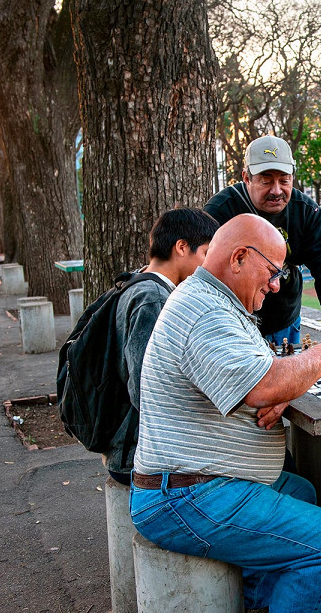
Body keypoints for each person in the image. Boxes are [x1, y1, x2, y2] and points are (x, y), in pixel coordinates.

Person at [131, 214, 321, 613]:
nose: (277, 285)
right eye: (273, 272)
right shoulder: (205, 312)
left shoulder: (212, 300)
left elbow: (258, 381)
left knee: (302, 492)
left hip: (198, 483)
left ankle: (265, 601)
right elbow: (261, 385)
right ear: (240, 257)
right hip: (185, 495)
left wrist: (277, 392)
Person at [204, 135, 321, 344]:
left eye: (284, 180)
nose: (276, 191)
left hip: (285, 320)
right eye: (266, 180)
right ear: (246, 177)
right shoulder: (220, 211)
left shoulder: (307, 212)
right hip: (232, 325)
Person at [107, 207, 219, 485]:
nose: (208, 266)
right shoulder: (153, 299)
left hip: (136, 443)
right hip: (138, 454)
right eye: (205, 253)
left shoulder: (139, 281)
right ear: (182, 247)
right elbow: (146, 393)